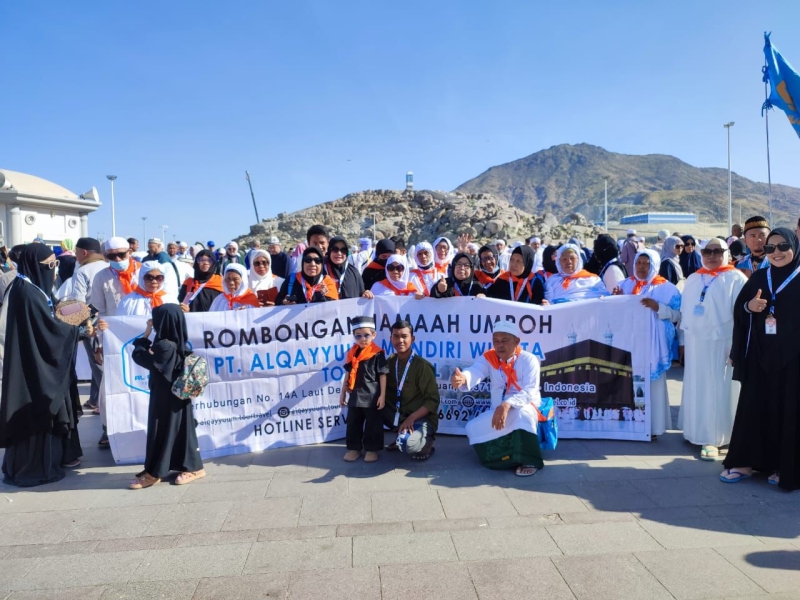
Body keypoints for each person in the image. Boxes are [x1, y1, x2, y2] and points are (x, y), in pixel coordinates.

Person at [0, 244, 94, 486]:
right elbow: (49, 331)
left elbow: (54, 311)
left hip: (42, 362)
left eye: (57, 264)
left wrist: (83, 311)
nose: (55, 270)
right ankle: (35, 465)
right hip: (36, 367)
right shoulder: (26, 292)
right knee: (40, 410)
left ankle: (63, 455)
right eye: (50, 265)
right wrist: (80, 330)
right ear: (35, 266)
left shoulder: (34, 287)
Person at [722, 228, 800, 489]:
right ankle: (745, 462)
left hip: (793, 361)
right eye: (770, 248)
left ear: (794, 247)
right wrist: (749, 307)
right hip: (760, 357)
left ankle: (782, 466)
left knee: (787, 413)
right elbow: (739, 309)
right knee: (753, 408)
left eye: (782, 246)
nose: (776, 253)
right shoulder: (758, 277)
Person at [679, 238, 747, 461]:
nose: (712, 255)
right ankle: (695, 431)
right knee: (697, 387)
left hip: (722, 343)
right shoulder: (693, 278)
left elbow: (742, 316)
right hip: (696, 342)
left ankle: (714, 438)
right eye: (707, 251)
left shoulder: (735, 278)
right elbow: (686, 311)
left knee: (717, 389)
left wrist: (737, 348)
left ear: (726, 253)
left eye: (718, 251)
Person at [450, 320, 543, 477]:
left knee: (522, 415)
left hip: (526, 405)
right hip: (499, 408)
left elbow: (529, 391)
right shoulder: (489, 358)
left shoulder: (529, 359)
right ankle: (502, 457)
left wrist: (507, 405)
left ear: (517, 341)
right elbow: (475, 371)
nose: (499, 345)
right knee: (472, 427)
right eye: (496, 341)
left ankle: (530, 460)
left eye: (504, 341)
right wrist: (463, 378)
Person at [129, 304, 205, 489]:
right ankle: (193, 467)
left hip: (166, 399)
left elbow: (140, 357)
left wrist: (145, 335)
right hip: (178, 397)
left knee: (162, 431)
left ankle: (156, 471)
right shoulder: (177, 341)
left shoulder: (164, 345)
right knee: (182, 430)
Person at [616, 249, 681, 437]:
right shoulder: (625, 285)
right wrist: (615, 298)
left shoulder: (667, 288)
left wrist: (658, 307)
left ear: (654, 265)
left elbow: (678, 315)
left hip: (654, 346)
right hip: (629, 344)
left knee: (653, 386)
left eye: (646, 263)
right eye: (638, 263)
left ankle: (653, 427)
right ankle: (629, 426)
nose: (642, 267)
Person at [383, 321, 440, 460]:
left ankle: (427, 442)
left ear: (412, 339)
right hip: (398, 414)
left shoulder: (422, 366)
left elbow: (433, 401)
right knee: (368, 403)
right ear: (391, 339)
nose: (400, 340)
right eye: (396, 336)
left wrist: (412, 418)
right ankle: (399, 435)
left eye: (404, 336)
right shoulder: (389, 362)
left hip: (419, 417)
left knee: (407, 444)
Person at [340, 316, 388, 463]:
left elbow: (383, 375)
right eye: (358, 335)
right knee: (353, 422)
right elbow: (348, 373)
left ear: (373, 335)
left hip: (372, 395)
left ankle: (372, 449)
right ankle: (354, 448)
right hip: (355, 394)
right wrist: (342, 393)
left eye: (366, 335)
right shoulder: (352, 352)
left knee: (373, 424)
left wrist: (382, 396)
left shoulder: (377, 353)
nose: (362, 339)